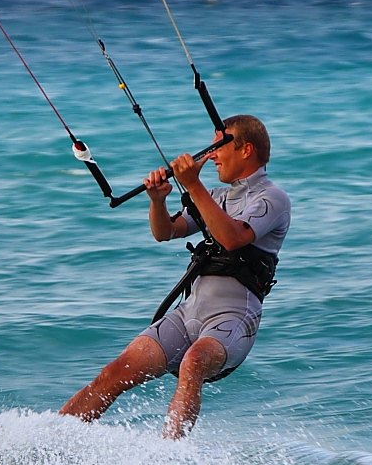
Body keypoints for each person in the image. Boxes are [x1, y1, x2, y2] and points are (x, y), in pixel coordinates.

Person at [58, 115, 291, 439]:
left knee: (193, 362)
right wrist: (158, 200)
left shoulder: (273, 198)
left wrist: (193, 185)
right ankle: (49, 438)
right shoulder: (218, 197)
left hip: (233, 318)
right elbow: (165, 231)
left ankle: (167, 458)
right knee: (115, 371)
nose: (210, 156)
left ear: (246, 150)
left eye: (217, 148)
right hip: (187, 315)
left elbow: (233, 237)